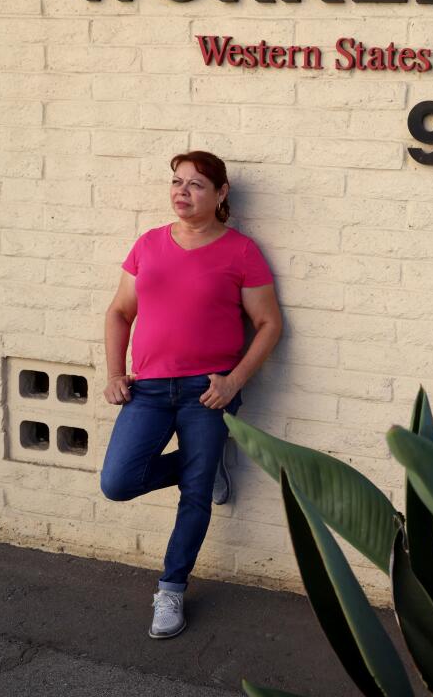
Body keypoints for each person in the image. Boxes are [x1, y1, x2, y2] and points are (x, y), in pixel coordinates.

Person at [100, 151, 282, 639]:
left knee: (196, 496)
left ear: (221, 194)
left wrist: (234, 381)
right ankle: (200, 464)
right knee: (118, 481)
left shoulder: (241, 252)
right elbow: (120, 312)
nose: (182, 192)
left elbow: (269, 325)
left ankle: (172, 588)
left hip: (209, 392)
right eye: (177, 182)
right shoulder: (149, 245)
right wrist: (116, 372)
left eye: (197, 184)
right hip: (150, 390)